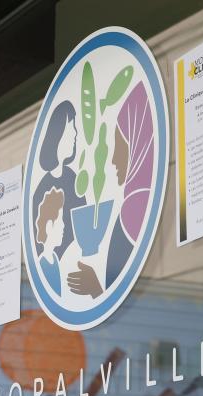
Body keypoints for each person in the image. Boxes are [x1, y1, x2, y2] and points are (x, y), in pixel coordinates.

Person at [68, 82, 154, 297]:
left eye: (120, 146)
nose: (114, 160)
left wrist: (95, 289)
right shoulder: (138, 203)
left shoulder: (136, 207)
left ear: (136, 143)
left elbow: (125, 294)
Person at [32, 100, 86, 258]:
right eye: (72, 127)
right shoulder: (41, 191)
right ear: (58, 134)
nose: (76, 133)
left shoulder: (73, 178)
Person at [35, 187, 65, 294]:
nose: (63, 226)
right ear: (49, 226)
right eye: (60, 221)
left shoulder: (55, 259)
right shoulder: (41, 265)